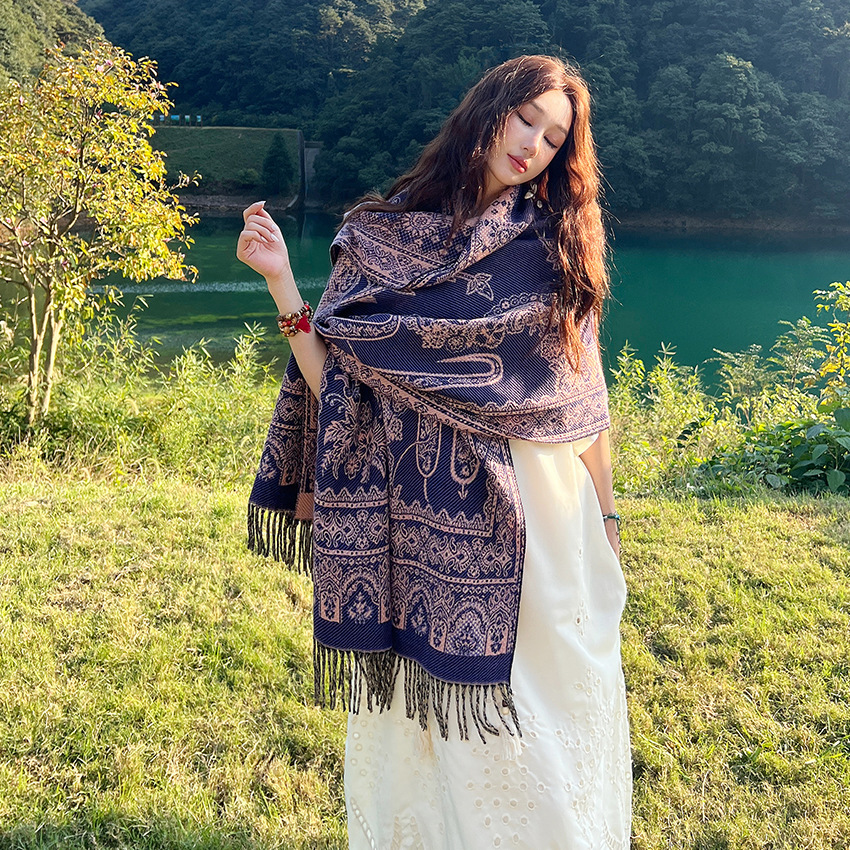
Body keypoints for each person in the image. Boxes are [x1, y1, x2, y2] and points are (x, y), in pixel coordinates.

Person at [237, 54, 631, 849]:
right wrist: (281, 283)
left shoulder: (553, 248)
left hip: (539, 520)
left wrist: (608, 516)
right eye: (526, 119)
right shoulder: (382, 234)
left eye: (555, 138)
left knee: (537, 720)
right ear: (490, 109)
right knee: (423, 725)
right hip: (414, 520)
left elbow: (585, 401)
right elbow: (337, 381)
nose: (533, 145)